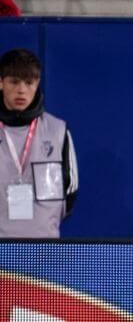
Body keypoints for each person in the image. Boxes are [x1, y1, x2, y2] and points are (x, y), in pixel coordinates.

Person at [0, 49, 77, 238]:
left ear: (37, 83)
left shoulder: (57, 130)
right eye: (14, 82)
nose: (21, 90)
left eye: (29, 82)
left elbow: (70, 190)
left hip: (43, 245)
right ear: (1, 82)